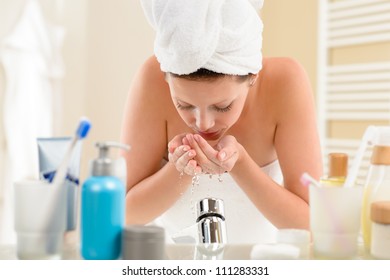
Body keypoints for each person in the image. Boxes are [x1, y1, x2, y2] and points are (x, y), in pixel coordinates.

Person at [120, 0, 322, 244]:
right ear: (166, 78)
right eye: (184, 105)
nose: (203, 123)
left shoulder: (286, 81)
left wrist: (240, 164)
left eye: (222, 106)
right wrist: (181, 169)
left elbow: (314, 227)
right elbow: (124, 215)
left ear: (253, 76)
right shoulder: (151, 78)